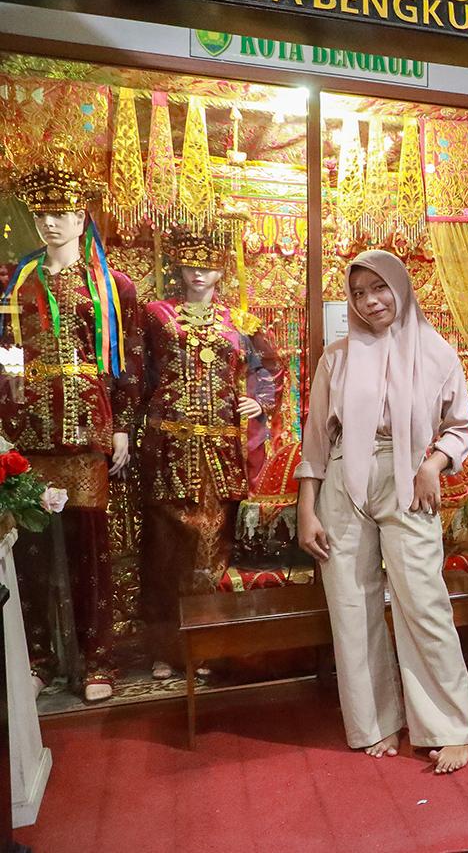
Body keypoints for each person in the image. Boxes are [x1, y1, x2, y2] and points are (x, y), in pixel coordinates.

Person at [295, 250, 468, 773]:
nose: (370, 301)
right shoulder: (338, 357)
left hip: (410, 482)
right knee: (352, 607)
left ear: (400, 287)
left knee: (423, 602)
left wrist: (434, 464)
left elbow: (460, 425)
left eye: (379, 288)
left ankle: (452, 727)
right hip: (341, 481)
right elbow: (314, 441)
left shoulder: (437, 353)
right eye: (357, 293)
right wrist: (308, 509)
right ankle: (375, 722)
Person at [0, 157, 142, 703]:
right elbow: (7, 353)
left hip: (88, 430)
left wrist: (124, 426)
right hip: (30, 430)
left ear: (82, 218)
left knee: (89, 545)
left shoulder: (112, 284)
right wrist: (7, 410)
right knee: (31, 543)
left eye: (61, 212)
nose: (51, 223)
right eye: (42, 213)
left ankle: (97, 659)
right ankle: (37, 658)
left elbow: (124, 361)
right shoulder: (17, 279)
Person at [140, 222, 283, 681]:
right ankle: (166, 649)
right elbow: (140, 372)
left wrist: (259, 400)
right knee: (167, 544)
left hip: (220, 447)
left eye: (208, 264)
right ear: (178, 265)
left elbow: (271, 367)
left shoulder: (240, 323)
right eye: (190, 263)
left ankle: (207, 644)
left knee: (213, 543)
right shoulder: (156, 315)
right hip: (169, 443)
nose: (198, 272)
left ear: (221, 270)